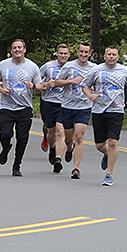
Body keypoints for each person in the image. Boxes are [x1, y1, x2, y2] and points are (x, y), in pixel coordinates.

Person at [80, 46, 127, 186]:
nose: (111, 57)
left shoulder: (124, 71)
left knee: (112, 142)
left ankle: (109, 175)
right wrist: (90, 96)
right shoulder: (96, 70)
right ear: (104, 56)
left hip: (116, 110)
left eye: (114, 54)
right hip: (99, 110)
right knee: (100, 145)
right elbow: (84, 85)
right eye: (109, 54)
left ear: (118, 57)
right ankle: (106, 154)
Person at [0, 39, 42, 177]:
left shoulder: (32, 66)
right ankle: (6, 148)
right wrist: (2, 90)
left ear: (24, 49)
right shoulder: (3, 65)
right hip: (7, 106)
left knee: (22, 138)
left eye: (19, 47)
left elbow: (40, 87)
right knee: (5, 134)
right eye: (14, 48)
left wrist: (33, 86)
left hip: (24, 107)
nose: (17, 50)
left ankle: (17, 165)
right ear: (11, 51)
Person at [55, 43, 96, 179]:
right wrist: (71, 81)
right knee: (68, 138)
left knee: (79, 137)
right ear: (77, 52)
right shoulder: (69, 66)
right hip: (67, 106)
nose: (83, 55)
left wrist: (94, 89)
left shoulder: (94, 68)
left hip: (84, 107)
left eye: (86, 52)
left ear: (90, 54)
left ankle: (76, 168)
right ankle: (69, 147)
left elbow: (98, 84)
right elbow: (57, 82)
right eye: (81, 52)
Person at [38, 43, 72, 174]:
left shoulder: (72, 67)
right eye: (61, 53)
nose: (63, 55)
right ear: (57, 54)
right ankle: (52, 149)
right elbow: (37, 82)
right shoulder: (48, 66)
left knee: (60, 132)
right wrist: (47, 84)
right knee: (51, 133)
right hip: (49, 102)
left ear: (69, 55)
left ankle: (58, 160)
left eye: (65, 53)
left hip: (65, 104)